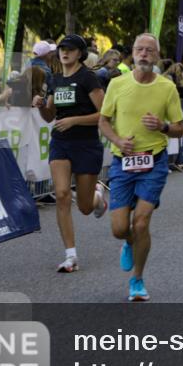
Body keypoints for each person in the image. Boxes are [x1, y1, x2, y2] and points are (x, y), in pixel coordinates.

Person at [99, 33, 183, 301]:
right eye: (140, 49)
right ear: (132, 54)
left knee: (141, 222)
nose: (144, 54)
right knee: (119, 228)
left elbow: (180, 129)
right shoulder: (117, 84)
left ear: (157, 55)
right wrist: (117, 140)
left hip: (154, 160)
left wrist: (162, 126)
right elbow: (103, 121)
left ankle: (137, 279)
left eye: (150, 50)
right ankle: (127, 242)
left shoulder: (167, 88)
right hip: (123, 162)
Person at [32, 34, 108, 273]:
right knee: (63, 194)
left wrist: (75, 120)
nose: (65, 52)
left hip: (86, 144)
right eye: (62, 48)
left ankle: (97, 198)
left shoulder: (88, 78)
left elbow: (105, 114)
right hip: (61, 143)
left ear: (80, 54)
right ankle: (70, 255)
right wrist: (41, 106)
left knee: (84, 207)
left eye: (71, 49)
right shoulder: (54, 80)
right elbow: (50, 117)